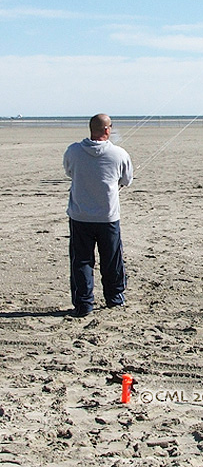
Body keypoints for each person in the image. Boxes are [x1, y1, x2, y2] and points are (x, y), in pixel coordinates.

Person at [63, 114, 133, 317]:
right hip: (94, 217)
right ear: (107, 130)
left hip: (93, 216)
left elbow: (126, 180)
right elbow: (127, 179)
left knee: (89, 260)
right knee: (101, 260)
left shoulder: (75, 151)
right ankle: (101, 300)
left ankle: (98, 301)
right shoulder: (116, 153)